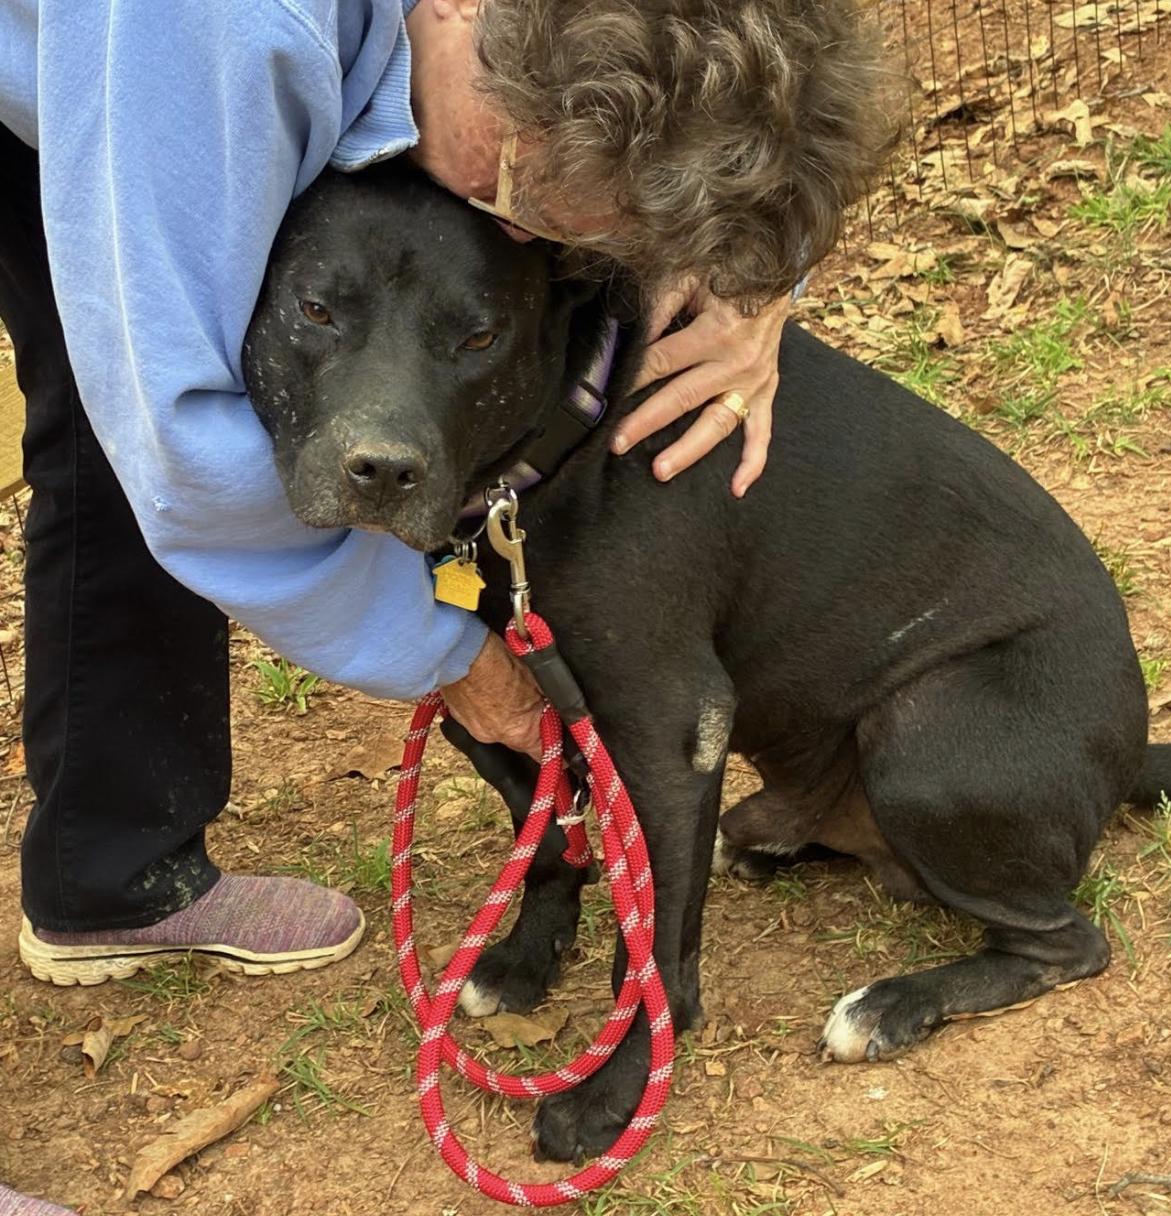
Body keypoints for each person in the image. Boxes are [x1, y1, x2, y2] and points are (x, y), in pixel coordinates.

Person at [0, 0, 887, 1206]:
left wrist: (747, 275)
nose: (533, 234)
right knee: (126, 433)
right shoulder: (203, 31)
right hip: (114, 67)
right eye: (526, 190)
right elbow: (176, 434)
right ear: (464, 15)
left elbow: (749, 88)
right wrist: (441, 647)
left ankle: (110, 873)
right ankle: (105, 883)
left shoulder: (517, 87)